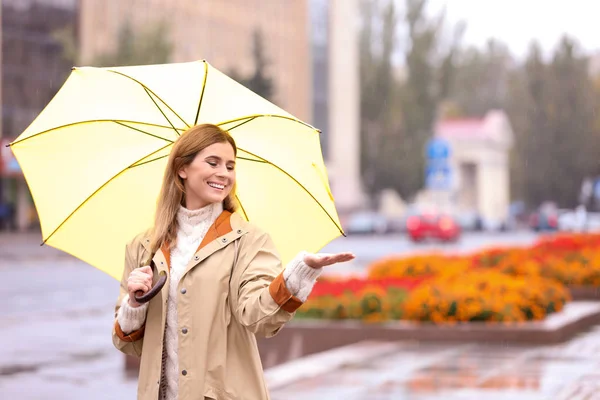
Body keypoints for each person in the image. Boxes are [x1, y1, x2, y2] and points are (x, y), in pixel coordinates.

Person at [112, 123, 355, 400]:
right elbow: (126, 343)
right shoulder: (144, 246)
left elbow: (258, 317)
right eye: (213, 162)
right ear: (182, 168)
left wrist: (299, 272)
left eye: (230, 166)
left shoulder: (250, 241)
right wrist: (133, 304)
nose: (223, 174)